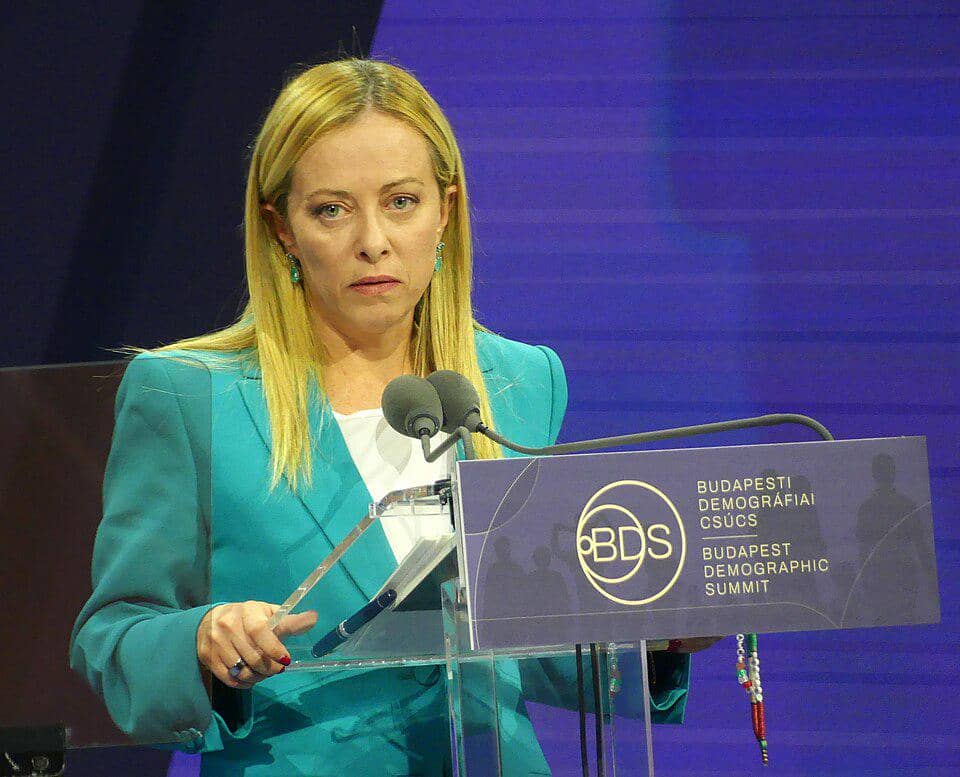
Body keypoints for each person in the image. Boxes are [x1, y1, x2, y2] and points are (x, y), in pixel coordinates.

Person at [70, 58, 697, 776]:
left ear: (445, 212)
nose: (373, 239)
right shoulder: (187, 395)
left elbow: (535, 639)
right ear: (281, 228)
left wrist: (657, 638)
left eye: (401, 202)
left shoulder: (518, 382)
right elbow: (113, 637)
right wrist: (203, 637)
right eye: (331, 210)